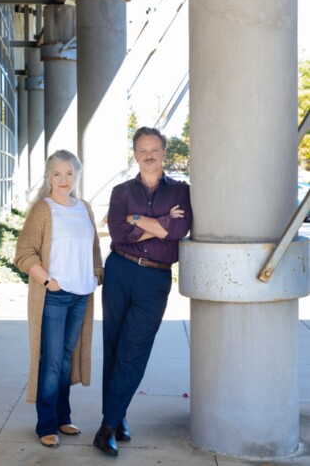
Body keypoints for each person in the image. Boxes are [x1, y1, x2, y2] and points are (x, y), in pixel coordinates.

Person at [93, 127, 192, 457]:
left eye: (154, 149)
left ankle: (107, 427)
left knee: (134, 351)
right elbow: (118, 233)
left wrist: (141, 219)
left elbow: (177, 230)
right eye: (142, 150)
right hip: (120, 270)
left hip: (155, 280)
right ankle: (117, 417)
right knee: (114, 346)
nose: (148, 155)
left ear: (164, 151)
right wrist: (158, 222)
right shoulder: (121, 190)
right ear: (135, 154)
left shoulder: (181, 190)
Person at [14, 149, 103, 448]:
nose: (64, 179)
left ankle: (63, 418)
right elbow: (24, 253)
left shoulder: (84, 208)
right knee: (51, 361)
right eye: (57, 174)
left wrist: (96, 272)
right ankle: (46, 425)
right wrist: (48, 281)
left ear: (76, 176)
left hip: (81, 296)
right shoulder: (44, 209)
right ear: (49, 176)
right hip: (55, 296)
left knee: (66, 360)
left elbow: (93, 248)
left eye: (69, 173)